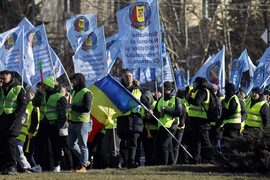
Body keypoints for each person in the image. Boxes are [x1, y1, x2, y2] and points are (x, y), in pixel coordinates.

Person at [33, 76, 67, 172]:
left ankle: (57, 165)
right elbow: (35, 103)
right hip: (43, 124)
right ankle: (39, 165)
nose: (43, 86)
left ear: (50, 85)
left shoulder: (60, 96)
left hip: (53, 125)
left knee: (56, 146)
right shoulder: (42, 94)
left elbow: (63, 114)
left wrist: (57, 126)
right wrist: (38, 93)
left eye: (45, 85)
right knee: (40, 146)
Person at [0, 70, 27, 175]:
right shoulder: (1, 88)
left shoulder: (18, 88)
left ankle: (13, 165)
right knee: (2, 141)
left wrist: (15, 116)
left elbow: (23, 105)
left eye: (4, 78)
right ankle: (5, 165)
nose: (2, 80)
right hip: (2, 117)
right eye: (0, 78)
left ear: (10, 77)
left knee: (10, 140)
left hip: (14, 119)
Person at [117, 70, 144, 168]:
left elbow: (145, 102)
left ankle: (131, 162)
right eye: (126, 76)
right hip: (123, 119)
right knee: (123, 143)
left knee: (133, 142)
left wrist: (149, 109)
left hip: (135, 119)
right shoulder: (119, 90)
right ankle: (124, 160)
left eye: (130, 76)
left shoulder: (138, 90)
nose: (128, 78)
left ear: (133, 78)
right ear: (123, 78)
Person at [154, 81, 185, 165]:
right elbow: (155, 112)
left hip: (172, 125)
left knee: (164, 145)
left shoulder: (176, 99)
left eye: (164, 88)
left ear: (168, 89)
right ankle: (171, 163)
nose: (162, 90)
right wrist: (159, 114)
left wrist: (166, 110)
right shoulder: (160, 99)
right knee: (169, 145)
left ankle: (164, 163)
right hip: (161, 125)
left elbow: (179, 112)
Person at [186, 76, 215, 164]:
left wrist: (189, 98)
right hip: (197, 120)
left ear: (198, 83)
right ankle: (196, 159)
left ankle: (212, 159)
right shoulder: (200, 90)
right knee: (197, 141)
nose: (194, 84)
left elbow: (197, 102)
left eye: (195, 82)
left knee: (205, 141)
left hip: (202, 121)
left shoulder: (203, 91)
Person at [68, 73, 93, 173]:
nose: (72, 82)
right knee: (71, 144)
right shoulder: (74, 91)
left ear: (78, 80)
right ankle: (85, 161)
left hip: (83, 123)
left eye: (73, 80)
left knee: (83, 145)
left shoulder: (87, 93)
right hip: (73, 122)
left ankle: (83, 166)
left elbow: (87, 108)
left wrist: (72, 107)